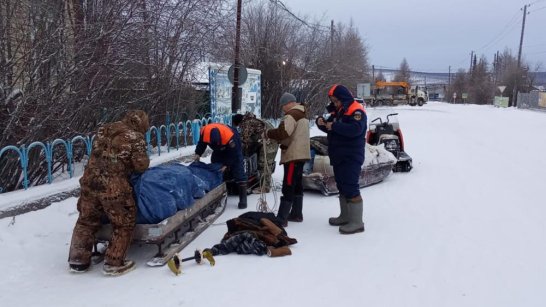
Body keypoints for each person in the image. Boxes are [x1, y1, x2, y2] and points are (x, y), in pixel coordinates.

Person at [68, 110, 150, 275]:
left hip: (89, 182)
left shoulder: (104, 129)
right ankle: (115, 262)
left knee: (86, 220)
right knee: (123, 221)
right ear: (142, 124)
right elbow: (140, 165)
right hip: (113, 186)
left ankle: (78, 260)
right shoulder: (135, 137)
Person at [316, 84, 367, 234]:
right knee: (342, 186)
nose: (335, 103)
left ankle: (357, 222)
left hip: (351, 156)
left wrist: (335, 126)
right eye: (333, 101)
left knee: (351, 187)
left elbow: (356, 129)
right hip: (339, 155)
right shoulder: (339, 110)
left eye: (336, 100)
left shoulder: (356, 110)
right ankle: (345, 216)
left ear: (343, 98)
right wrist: (321, 123)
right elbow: (331, 127)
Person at [265, 93, 310, 226]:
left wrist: (268, 133)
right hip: (301, 154)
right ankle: (296, 214)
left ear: (289, 103)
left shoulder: (291, 115)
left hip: (293, 155)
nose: (283, 109)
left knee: (288, 185)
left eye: (283, 106)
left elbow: (283, 132)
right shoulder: (303, 113)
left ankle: (282, 218)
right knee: (297, 185)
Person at [195, 123, 247, 209]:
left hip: (233, 148)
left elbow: (234, 153)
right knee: (215, 165)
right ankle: (219, 190)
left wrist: (226, 164)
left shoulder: (230, 137)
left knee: (238, 169)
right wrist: (198, 153)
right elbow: (202, 143)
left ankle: (243, 199)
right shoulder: (204, 132)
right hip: (219, 150)